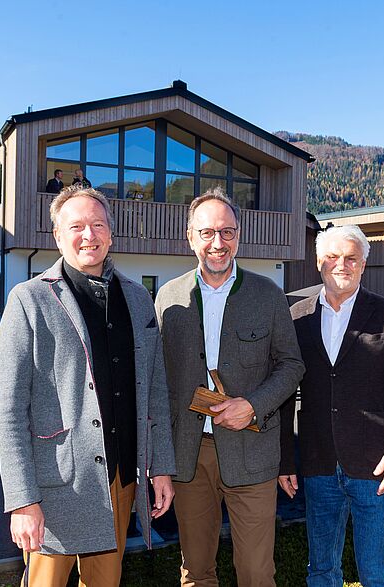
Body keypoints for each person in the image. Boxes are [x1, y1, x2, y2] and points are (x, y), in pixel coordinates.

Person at [0, 185, 176, 586]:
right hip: (55, 483)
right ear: (57, 235)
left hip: (119, 476)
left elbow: (154, 392)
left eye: (97, 224)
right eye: (76, 226)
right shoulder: (30, 299)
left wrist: (160, 467)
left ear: (112, 233)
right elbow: (7, 409)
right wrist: (22, 499)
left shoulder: (138, 299)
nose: (88, 235)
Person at [155, 188, 305, 587]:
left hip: (252, 451)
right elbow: (155, 381)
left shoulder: (268, 295)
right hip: (189, 455)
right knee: (196, 571)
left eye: (227, 232)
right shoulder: (168, 298)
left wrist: (253, 406)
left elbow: (292, 365)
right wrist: (157, 461)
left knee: (256, 573)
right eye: (206, 233)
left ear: (239, 236)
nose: (217, 243)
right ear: (190, 237)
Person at [279, 224, 384, 587]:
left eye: (351, 258)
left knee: (377, 574)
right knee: (321, 570)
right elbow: (284, 393)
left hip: (376, 467)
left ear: (363, 265)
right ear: (318, 261)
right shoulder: (297, 317)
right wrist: (285, 460)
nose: (341, 265)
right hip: (318, 464)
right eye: (332, 257)